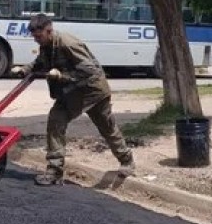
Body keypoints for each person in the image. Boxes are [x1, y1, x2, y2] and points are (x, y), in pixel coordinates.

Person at [11, 13, 134, 186]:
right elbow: (40, 62)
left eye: (38, 36)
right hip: (71, 93)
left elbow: (90, 70)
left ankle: (127, 160)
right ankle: (54, 171)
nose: (36, 40)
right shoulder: (46, 45)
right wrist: (24, 69)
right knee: (55, 121)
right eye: (34, 37)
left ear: (49, 30)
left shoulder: (68, 43)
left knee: (106, 127)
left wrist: (62, 76)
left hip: (93, 92)